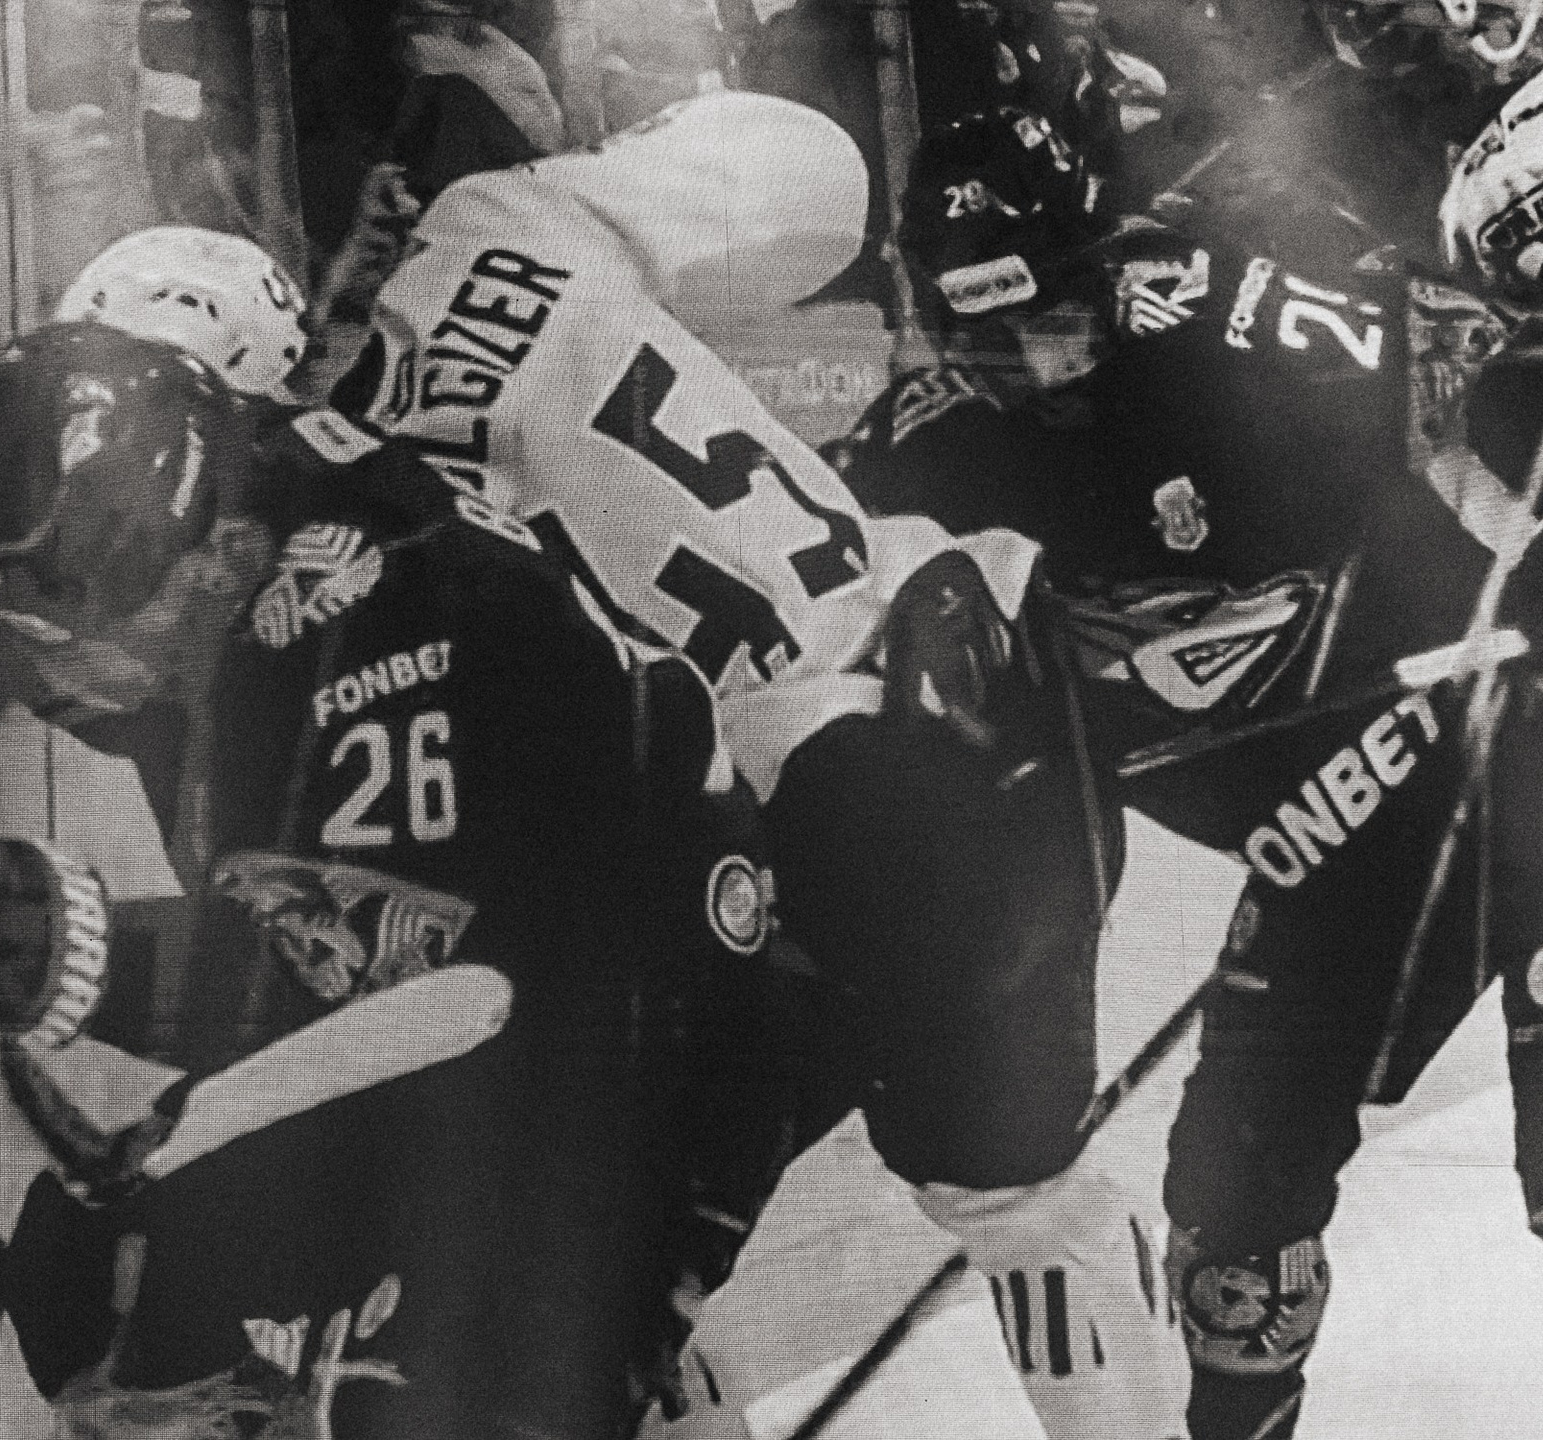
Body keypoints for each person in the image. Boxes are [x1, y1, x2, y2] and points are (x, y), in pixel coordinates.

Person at [0, 226, 806, 1439]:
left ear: (219, 548)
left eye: (87, 616)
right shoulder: (264, 516)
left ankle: (629, 1366)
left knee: (282, 1352)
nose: (60, 664)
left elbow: (382, 992)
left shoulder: (382, 641)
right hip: (520, 991)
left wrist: (44, 948)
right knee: (89, 1280)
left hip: (624, 1080)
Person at [333, 86, 1185, 1438]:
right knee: (1009, 1195)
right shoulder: (524, 220)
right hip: (970, 669)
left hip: (819, 795)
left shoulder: (342, 473)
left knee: (608, 1250)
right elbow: (823, 176)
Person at [829, 23, 1543, 1434]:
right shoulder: (913, 450)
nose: (1039, 365)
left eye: (1060, 315)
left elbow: (1499, 382)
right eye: (989, 337)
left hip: (1515, 734)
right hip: (1332, 843)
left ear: (1106, 257)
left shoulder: (1244, 317)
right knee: (1232, 1203)